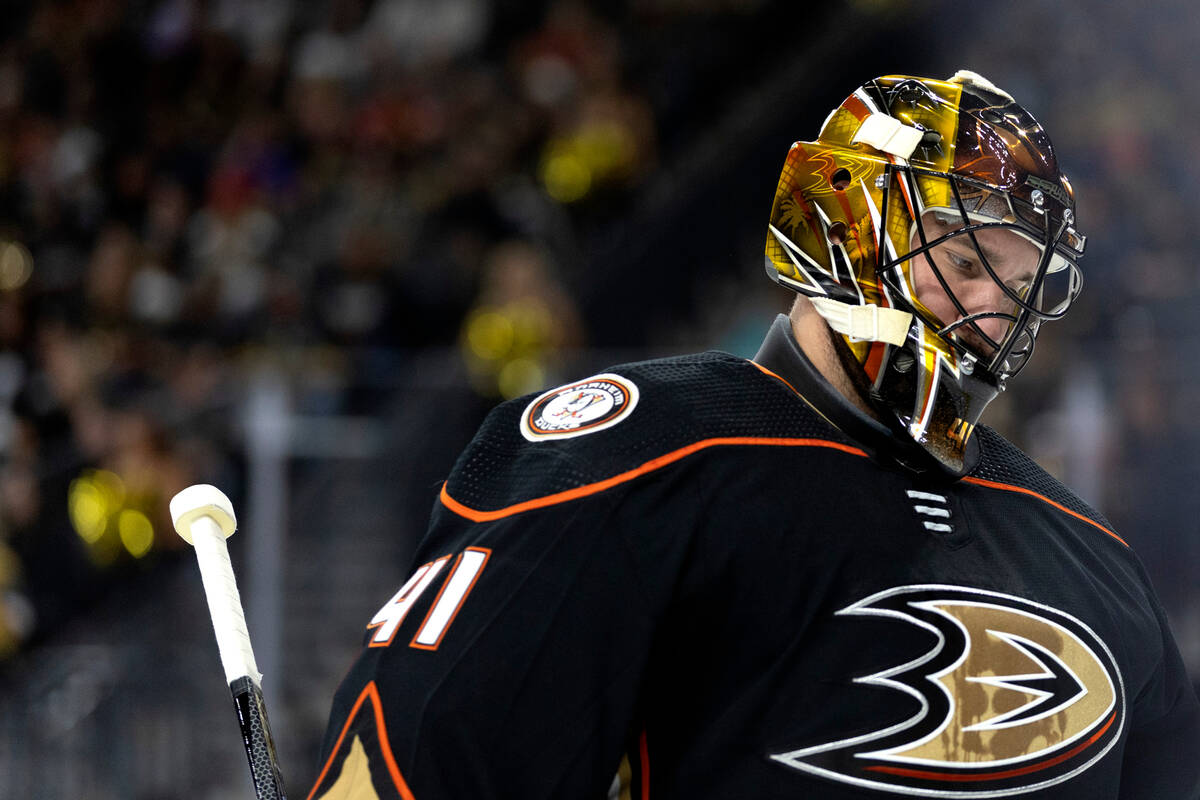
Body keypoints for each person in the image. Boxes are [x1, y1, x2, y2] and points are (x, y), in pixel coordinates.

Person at [308, 71, 1200, 799]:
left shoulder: (1092, 557)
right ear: (837, 223)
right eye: (964, 261)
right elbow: (418, 763)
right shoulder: (637, 453)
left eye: (1018, 283)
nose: (990, 311)